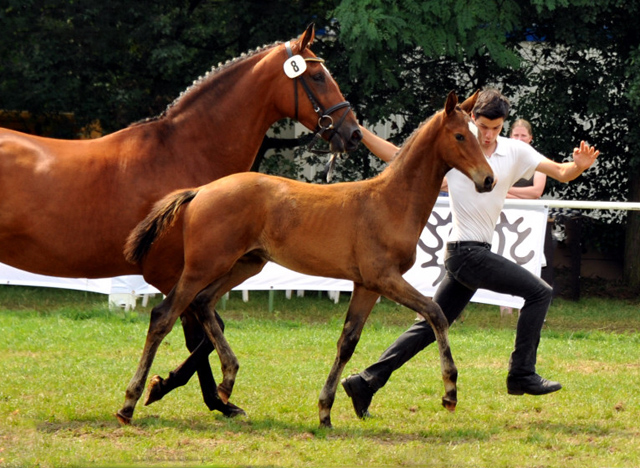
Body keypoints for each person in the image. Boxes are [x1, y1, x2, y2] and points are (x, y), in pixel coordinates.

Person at [342, 89, 600, 419]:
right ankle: (521, 374)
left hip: (471, 254)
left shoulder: (515, 151)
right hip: (465, 252)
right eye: (483, 127)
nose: (489, 135)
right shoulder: (458, 151)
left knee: (430, 327)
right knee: (539, 292)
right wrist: (360, 131)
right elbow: (397, 156)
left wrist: (578, 167)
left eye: (496, 128)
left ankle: (366, 381)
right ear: (473, 120)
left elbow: (561, 173)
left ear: (503, 125)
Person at [500, 118, 547, 315]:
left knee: (528, 260)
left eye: (523, 135)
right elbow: (494, 188)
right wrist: (508, 191)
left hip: (529, 218)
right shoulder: (503, 160)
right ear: (510, 137)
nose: (519, 139)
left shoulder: (538, 161)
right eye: (515, 135)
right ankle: (504, 305)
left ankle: (526, 304)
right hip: (504, 217)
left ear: (530, 139)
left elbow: (537, 191)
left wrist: (507, 190)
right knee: (502, 258)